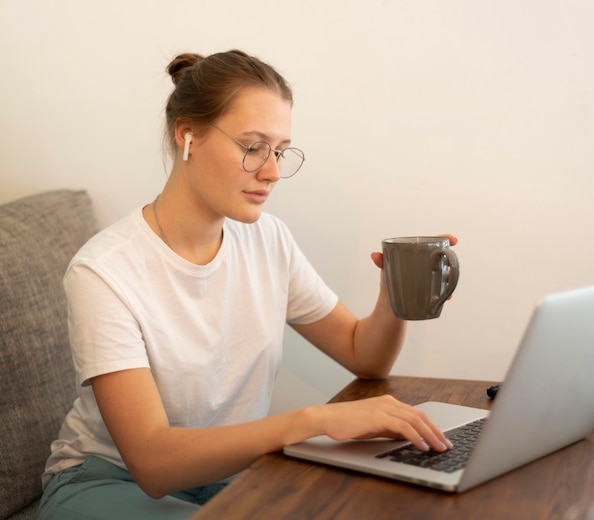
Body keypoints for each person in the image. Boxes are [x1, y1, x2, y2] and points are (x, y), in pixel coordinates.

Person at [37, 49, 455, 520]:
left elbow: (366, 355)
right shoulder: (105, 270)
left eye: (279, 150)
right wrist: (315, 420)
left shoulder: (267, 239)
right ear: (187, 135)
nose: (273, 171)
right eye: (252, 146)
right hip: (110, 480)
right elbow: (152, 462)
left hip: (227, 474)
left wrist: (396, 286)